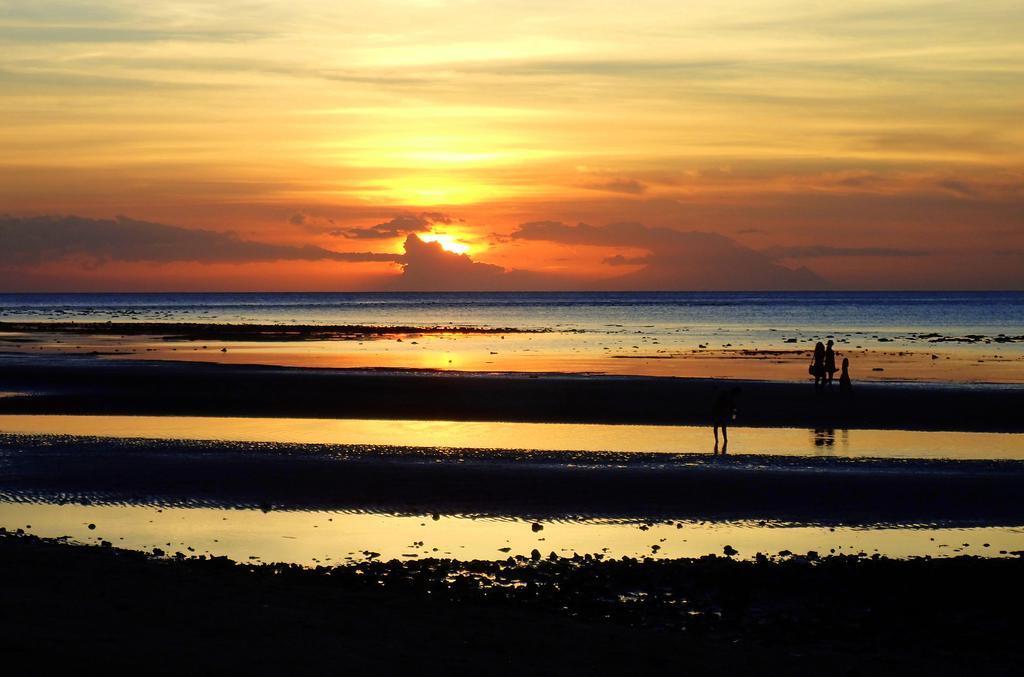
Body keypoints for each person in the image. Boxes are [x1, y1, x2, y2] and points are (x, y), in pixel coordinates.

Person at [711, 387, 740, 454]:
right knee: (721, 426)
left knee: (718, 426)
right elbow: (733, 407)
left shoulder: (727, 397)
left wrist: (734, 414)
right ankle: (722, 440)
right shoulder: (727, 397)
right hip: (720, 412)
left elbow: (732, 407)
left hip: (720, 412)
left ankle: (720, 440)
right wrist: (734, 415)